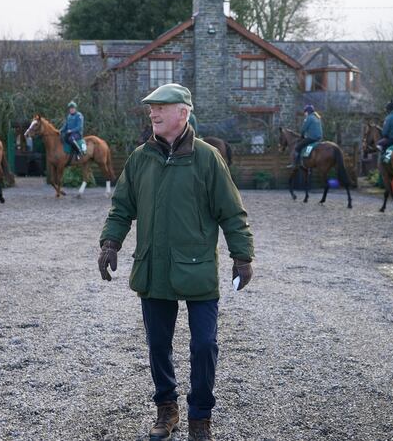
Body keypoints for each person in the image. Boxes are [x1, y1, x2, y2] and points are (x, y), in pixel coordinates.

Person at [98, 83, 254, 441]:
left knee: (204, 345)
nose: (153, 113)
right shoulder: (140, 158)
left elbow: (231, 212)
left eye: (161, 107)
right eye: (151, 108)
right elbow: (122, 207)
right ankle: (166, 409)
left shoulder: (207, 158)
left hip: (197, 268)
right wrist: (110, 243)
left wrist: (242, 256)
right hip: (153, 267)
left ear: (182, 113)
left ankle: (200, 418)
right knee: (157, 345)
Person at [287, 104, 322, 168]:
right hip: (319, 138)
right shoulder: (317, 117)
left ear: (307, 112)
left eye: (305, 112)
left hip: (312, 138)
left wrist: (302, 136)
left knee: (298, 147)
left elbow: (303, 129)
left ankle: (296, 163)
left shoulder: (309, 118)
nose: (304, 114)